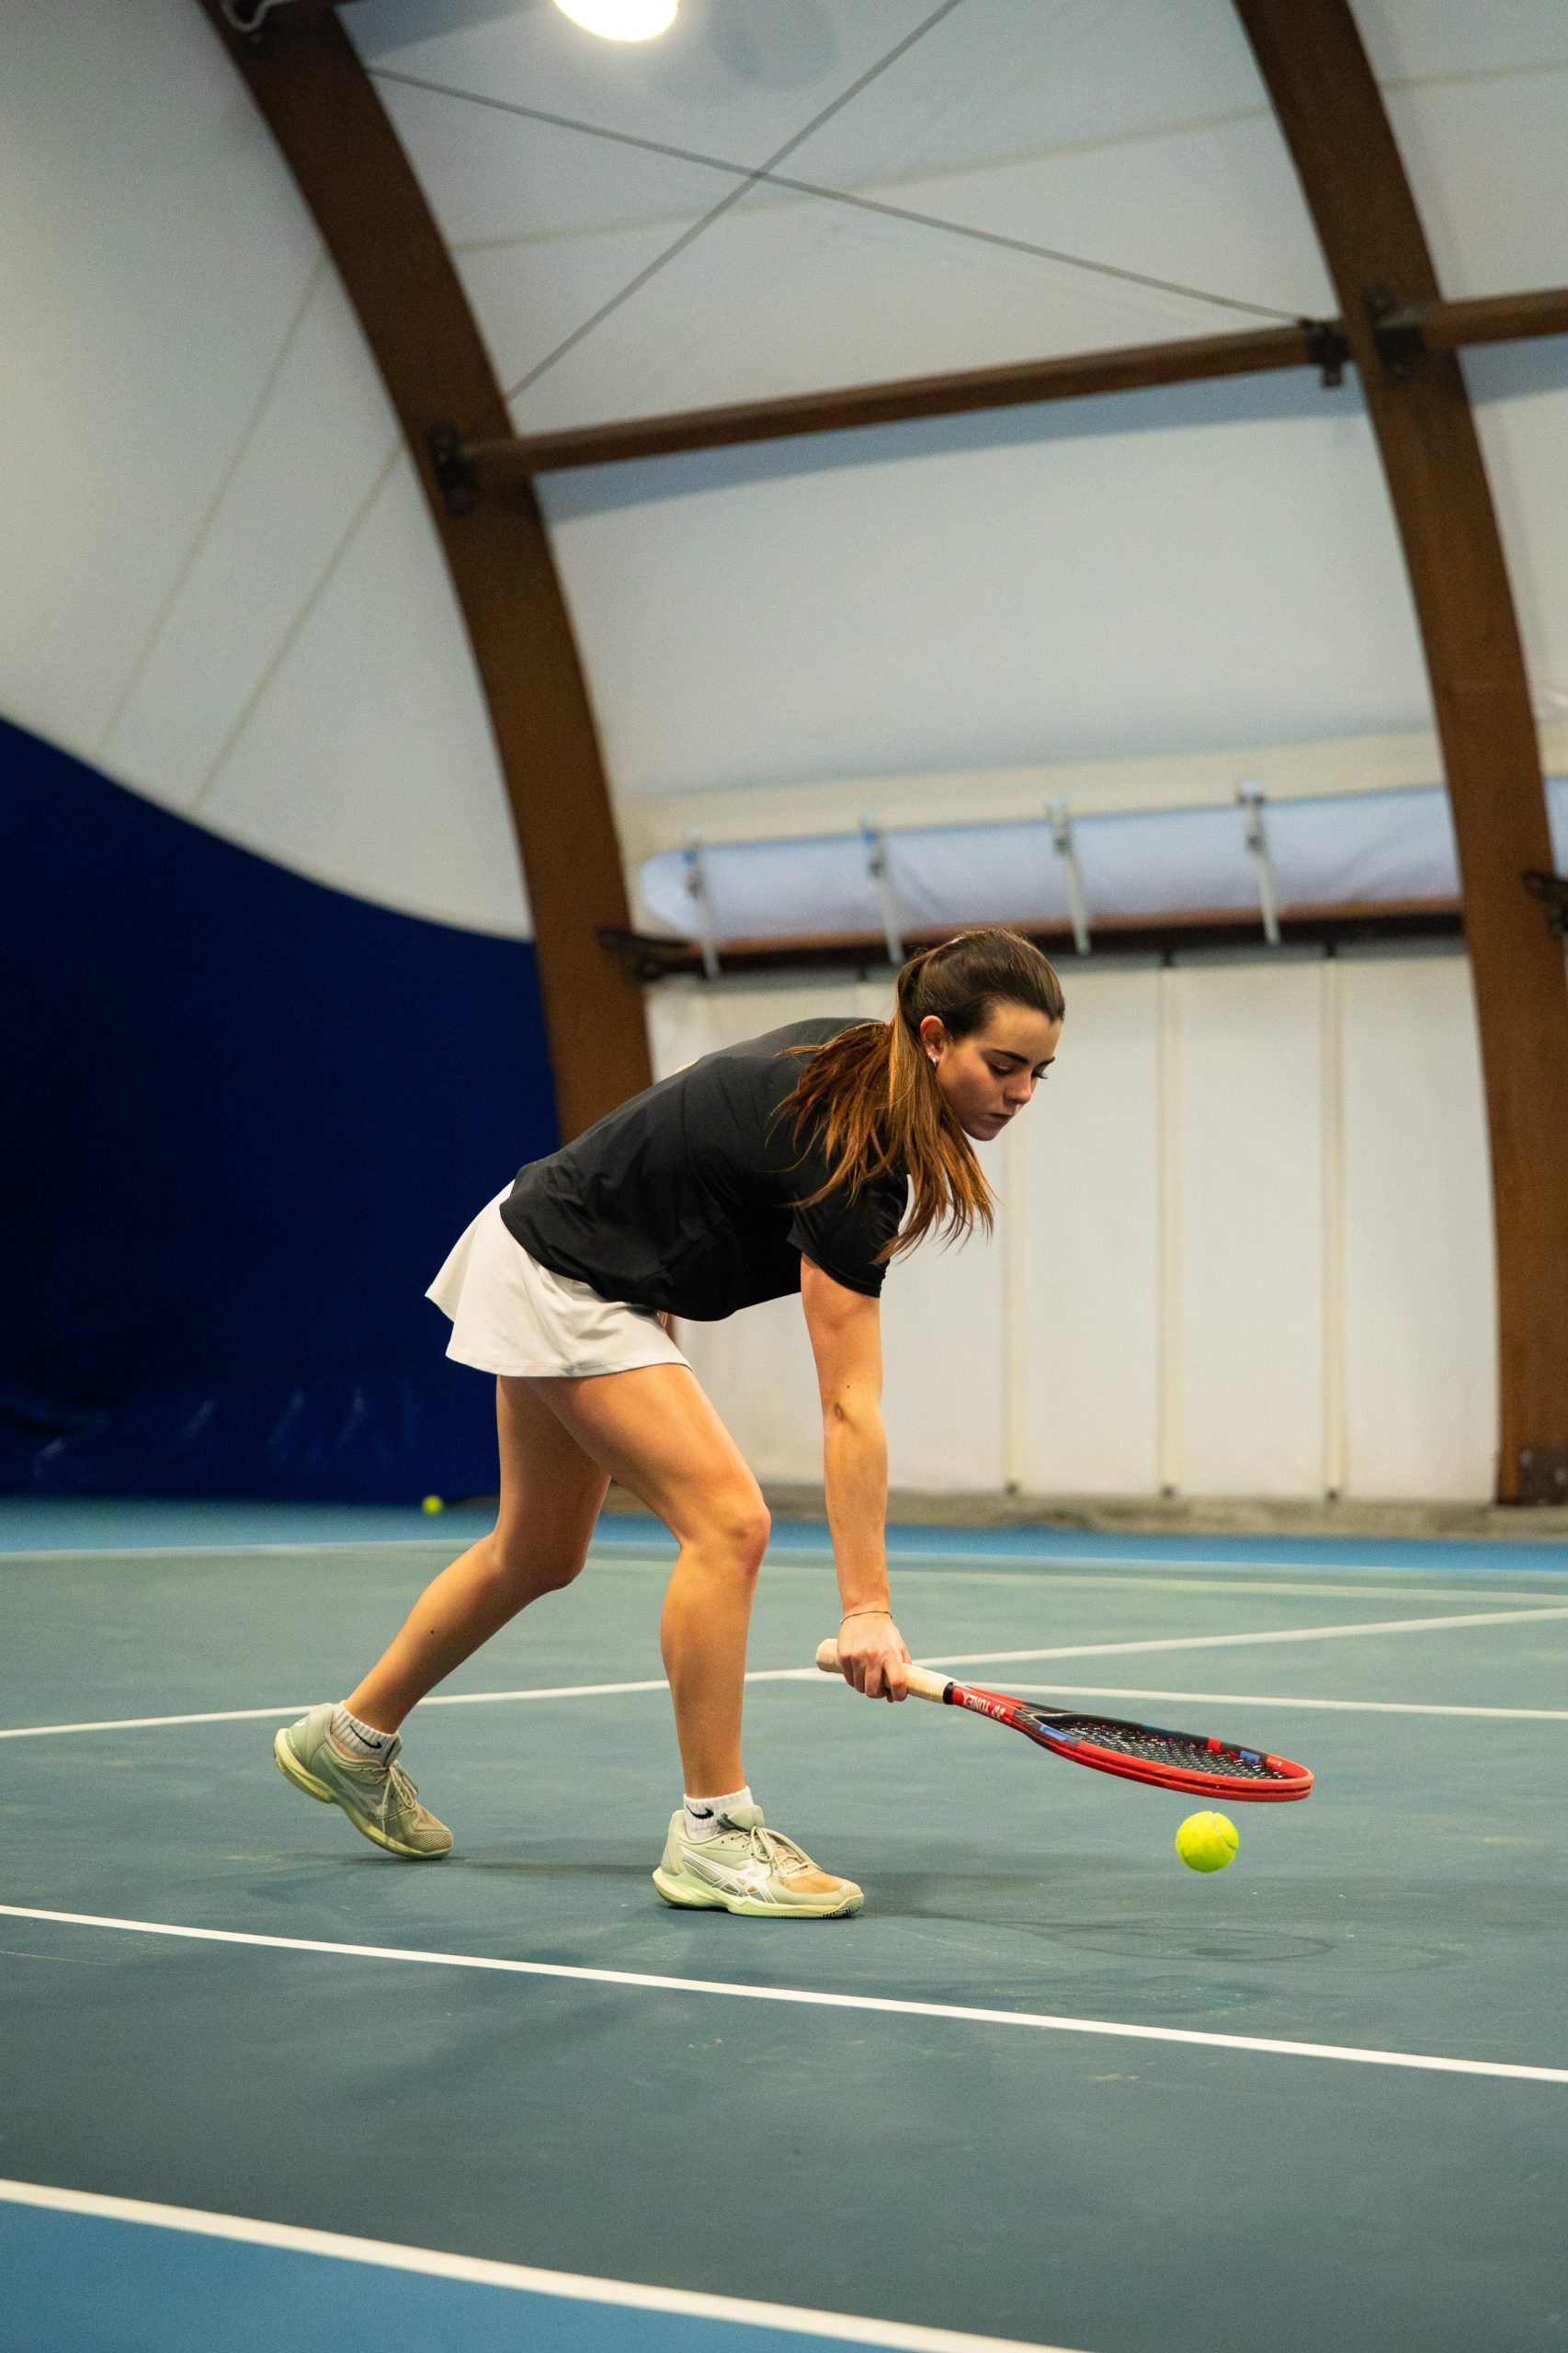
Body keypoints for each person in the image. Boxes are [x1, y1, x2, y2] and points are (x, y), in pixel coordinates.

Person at [275, 927, 1064, 1917]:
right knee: (729, 1524)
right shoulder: (849, 1147)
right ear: (934, 1036)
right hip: (566, 1274)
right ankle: (714, 1831)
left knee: (536, 1551)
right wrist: (866, 1606)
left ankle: (350, 1739)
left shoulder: (853, 1065)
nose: (1020, 1093)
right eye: (1004, 1064)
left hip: (551, 1243)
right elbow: (847, 1402)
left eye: (1037, 1073)